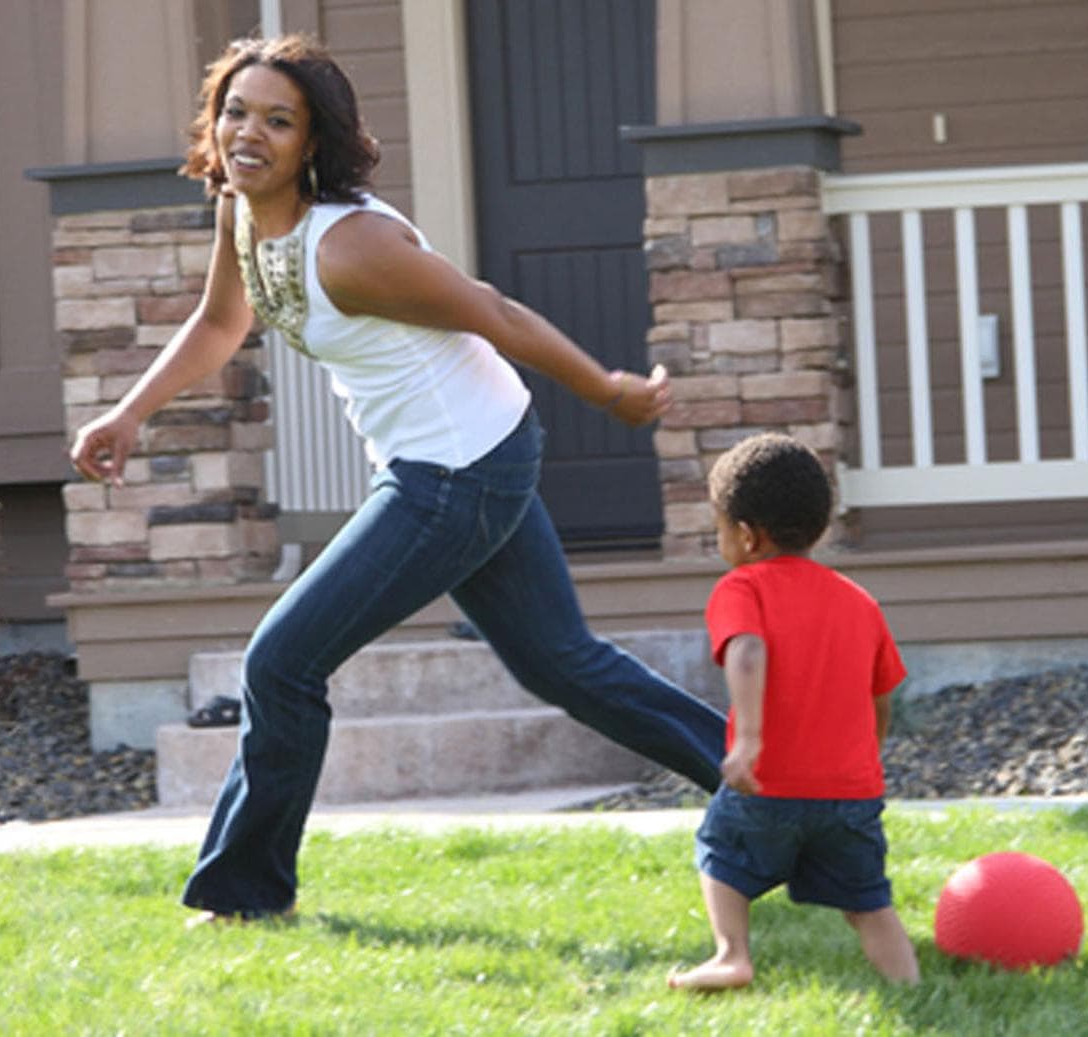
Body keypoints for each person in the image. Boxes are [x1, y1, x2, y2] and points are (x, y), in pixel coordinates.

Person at [67, 34, 725, 924]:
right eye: (235, 111)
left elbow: (493, 311)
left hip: (455, 472)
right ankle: (770, 785)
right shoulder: (241, 210)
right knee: (559, 662)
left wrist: (606, 390)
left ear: (313, 142)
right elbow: (222, 324)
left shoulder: (352, 246)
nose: (247, 134)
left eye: (277, 120)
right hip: (465, 456)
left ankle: (245, 894)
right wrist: (131, 411)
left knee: (282, 662)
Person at [669, 433, 918, 991]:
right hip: (851, 794)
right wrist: (866, 761)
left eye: (718, 528)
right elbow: (882, 698)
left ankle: (732, 954)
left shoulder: (742, 588)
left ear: (746, 535)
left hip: (769, 786)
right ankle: (910, 986)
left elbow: (748, 649)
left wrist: (749, 741)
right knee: (869, 904)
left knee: (720, 851)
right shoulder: (860, 602)